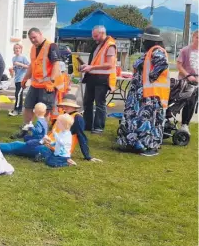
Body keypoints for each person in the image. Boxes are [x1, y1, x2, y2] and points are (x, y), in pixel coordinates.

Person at [117, 26, 169, 157]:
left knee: (149, 121)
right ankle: (133, 143)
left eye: (146, 40)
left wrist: (152, 77)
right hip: (140, 95)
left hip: (150, 95)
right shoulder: (149, 52)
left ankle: (151, 147)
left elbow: (162, 64)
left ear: (152, 41)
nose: (144, 42)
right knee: (136, 119)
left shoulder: (157, 51)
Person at [80, 25, 117, 134]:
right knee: (87, 101)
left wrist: (91, 67)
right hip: (92, 76)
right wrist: (87, 66)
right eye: (93, 36)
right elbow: (97, 62)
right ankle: (87, 125)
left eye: (96, 36)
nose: (94, 38)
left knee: (100, 103)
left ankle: (98, 127)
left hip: (102, 78)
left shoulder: (110, 45)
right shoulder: (99, 45)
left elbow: (110, 64)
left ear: (102, 33)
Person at [21, 28, 61, 124]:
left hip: (47, 86)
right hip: (35, 84)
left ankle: (42, 132)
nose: (33, 40)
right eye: (31, 39)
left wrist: (51, 82)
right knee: (28, 106)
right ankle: (26, 128)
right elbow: (32, 65)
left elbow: (56, 64)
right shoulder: (33, 48)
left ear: (40, 34)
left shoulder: (51, 46)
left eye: (34, 37)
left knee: (44, 110)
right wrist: (25, 78)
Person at [176, 30, 198, 133]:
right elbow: (179, 65)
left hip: (196, 82)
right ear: (193, 37)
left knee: (192, 104)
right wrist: (188, 76)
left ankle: (185, 125)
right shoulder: (185, 50)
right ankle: (177, 122)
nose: (198, 40)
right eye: (197, 37)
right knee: (182, 103)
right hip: (185, 81)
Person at [9, 43, 30, 116]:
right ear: (14, 50)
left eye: (19, 48)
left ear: (21, 50)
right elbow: (15, 68)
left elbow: (29, 67)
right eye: (16, 48)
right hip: (17, 79)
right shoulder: (13, 58)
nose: (17, 49)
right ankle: (20, 110)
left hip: (22, 79)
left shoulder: (23, 58)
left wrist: (20, 64)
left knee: (17, 94)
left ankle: (16, 110)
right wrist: (12, 69)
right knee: (18, 94)